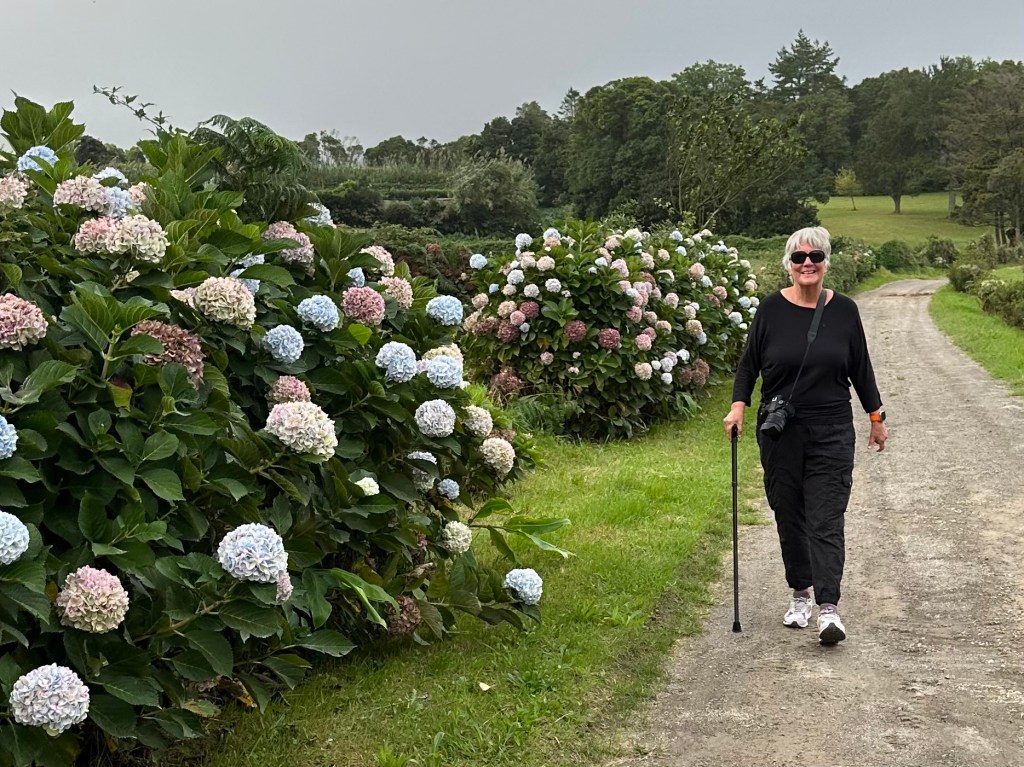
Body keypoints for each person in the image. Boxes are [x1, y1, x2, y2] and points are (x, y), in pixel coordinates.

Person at [723, 226, 888, 645]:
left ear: (826, 261)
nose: (807, 263)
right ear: (789, 265)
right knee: (789, 515)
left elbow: (860, 367)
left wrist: (875, 415)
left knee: (826, 517)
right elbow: (749, 366)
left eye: (815, 256)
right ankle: (801, 595)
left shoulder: (845, 311)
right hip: (780, 433)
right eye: (798, 258)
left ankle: (829, 610)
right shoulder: (770, 310)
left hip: (832, 429)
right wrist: (738, 406)